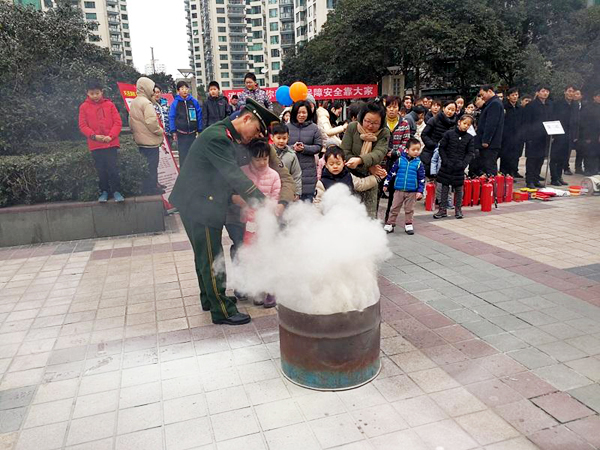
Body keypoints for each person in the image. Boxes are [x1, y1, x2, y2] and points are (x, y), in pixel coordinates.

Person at [169, 98, 281, 326]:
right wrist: (263, 203)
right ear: (246, 118)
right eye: (257, 130)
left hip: (198, 200)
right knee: (211, 256)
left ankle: (209, 299)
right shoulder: (217, 138)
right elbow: (234, 176)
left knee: (204, 254)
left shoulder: (224, 134)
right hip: (199, 204)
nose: (256, 136)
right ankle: (222, 310)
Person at [239, 138, 281, 308]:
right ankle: (256, 289)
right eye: (258, 159)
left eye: (265, 158)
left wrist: (267, 209)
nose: (262, 162)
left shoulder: (274, 175)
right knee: (251, 256)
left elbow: (275, 198)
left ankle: (270, 290)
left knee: (268, 254)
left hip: (267, 220)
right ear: (250, 158)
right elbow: (237, 195)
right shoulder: (242, 172)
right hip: (249, 222)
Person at [341, 101, 390, 218]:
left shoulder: (384, 133)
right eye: (367, 121)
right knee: (349, 214)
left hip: (370, 179)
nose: (370, 126)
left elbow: (379, 153)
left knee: (369, 216)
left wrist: (360, 161)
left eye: (375, 123)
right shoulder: (353, 127)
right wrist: (368, 165)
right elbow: (344, 152)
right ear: (361, 117)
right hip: (350, 176)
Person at [78, 80, 123, 203]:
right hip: (95, 145)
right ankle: (104, 191)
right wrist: (94, 136)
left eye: (97, 93)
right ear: (87, 93)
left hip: (111, 143)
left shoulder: (110, 105)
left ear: (102, 92)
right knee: (101, 170)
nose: (95, 96)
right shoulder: (84, 107)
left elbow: (118, 122)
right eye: (92, 93)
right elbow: (82, 125)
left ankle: (117, 191)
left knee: (113, 168)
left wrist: (111, 136)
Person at [434, 115, 476, 220]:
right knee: (444, 188)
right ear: (459, 122)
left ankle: (458, 209)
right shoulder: (449, 134)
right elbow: (442, 148)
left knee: (459, 189)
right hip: (447, 165)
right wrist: (445, 160)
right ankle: (442, 209)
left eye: (468, 125)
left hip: (459, 167)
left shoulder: (469, 138)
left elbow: (470, 153)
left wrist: (463, 164)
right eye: (464, 123)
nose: (466, 126)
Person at [130, 77, 165, 195]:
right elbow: (151, 122)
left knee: (145, 167)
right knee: (152, 167)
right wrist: (160, 131)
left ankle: (147, 189)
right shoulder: (146, 103)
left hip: (140, 141)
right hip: (150, 142)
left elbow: (131, 121)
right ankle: (153, 189)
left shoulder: (135, 102)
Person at [382, 138, 425, 235]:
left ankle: (408, 224)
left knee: (409, 209)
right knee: (394, 207)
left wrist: (420, 191)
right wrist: (386, 183)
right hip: (399, 189)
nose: (416, 152)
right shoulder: (400, 161)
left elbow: (421, 179)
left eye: (418, 150)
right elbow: (392, 173)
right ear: (407, 150)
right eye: (413, 149)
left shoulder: (419, 164)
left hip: (412, 191)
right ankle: (390, 223)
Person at [313, 145, 380, 207]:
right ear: (326, 165)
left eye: (338, 163)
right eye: (331, 164)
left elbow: (362, 184)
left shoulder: (349, 176)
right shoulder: (322, 183)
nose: (335, 166)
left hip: (349, 213)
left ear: (344, 163)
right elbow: (318, 202)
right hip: (330, 216)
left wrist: (377, 178)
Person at [381, 96, 411, 221]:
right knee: (378, 189)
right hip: (381, 160)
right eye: (389, 107)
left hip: (397, 162)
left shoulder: (404, 123)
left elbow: (406, 142)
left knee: (394, 192)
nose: (392, 110)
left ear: (399, 108)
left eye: (395, 107)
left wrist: (395, 153)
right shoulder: (381, 122)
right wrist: (385, 152)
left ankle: (390, 218)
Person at [287, 100, 323, 201]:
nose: (301, 115)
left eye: (304, 112)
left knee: (307, 202)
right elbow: (281, 145)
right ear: (294, 113)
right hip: (291, 168)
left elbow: (319, 146)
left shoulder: (314, 128)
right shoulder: (287, 127)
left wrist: (305, 148)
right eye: (299, 112)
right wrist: (292, 148)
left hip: (308, 171)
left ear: (308, 113)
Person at [524, 85, 553, 188]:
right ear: (537, 92)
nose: (545, 93)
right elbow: (526, 122)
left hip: (545, 136)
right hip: (533, 136)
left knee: (540, 159)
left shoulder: (549, 105)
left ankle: (536, 179)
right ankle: (529, 180)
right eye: (543, 91)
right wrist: (528, 137)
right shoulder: (531, 105)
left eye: (547, 91)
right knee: (532, 159)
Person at [169, 81, 202, 168]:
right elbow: (171, 117)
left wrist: (200, 129)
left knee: (193, 153)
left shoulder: (193, 101)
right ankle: (183, 172)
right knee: (183, 154)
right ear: (178, 91)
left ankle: (193, 171)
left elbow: (199, 115)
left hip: (192, 133)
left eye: (186, 88)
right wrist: (173, 131)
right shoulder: (175, 103)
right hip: (181, 133)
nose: (184, 90)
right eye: (182, 88)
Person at [421, 100, 457, 177]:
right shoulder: (434, 120)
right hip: (431, 151)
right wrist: (432, 144)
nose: (450, 111)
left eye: (453, 110)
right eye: (449, 109)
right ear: (444, 108)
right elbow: (424, 134)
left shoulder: (455, 123)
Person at [475, 84, 504, 176]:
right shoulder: (490, 103)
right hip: (489, 142)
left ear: (490, 91)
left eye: (482, 94)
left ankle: (492, 187)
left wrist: (486, 140)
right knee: (485, 165)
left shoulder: (494, 104)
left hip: (490, 143)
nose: (481, 97)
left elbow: (491, 124)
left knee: (489, 166)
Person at [549, 85, 575, 186]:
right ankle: (554, 178)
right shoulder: (558, 104)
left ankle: (559, 177)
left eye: (572, 91)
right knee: (555, 157)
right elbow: (553, 117)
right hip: (558, 134)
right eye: (569, 91)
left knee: (563, 157)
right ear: (565, 92)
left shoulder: (574, 104)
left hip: (569, 135)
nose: (571, 93)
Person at [271, 123, 302, 199]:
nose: (281, 141)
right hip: (270, 190)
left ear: (288, 138)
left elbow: (296, 175)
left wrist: (297, 193)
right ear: (272, 137)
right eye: (278, 138)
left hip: (286, 190)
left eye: (284, 138)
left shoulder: (292, 155)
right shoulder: (267, 152)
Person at [500, 87, 523, 178]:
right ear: (508, 97)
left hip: (517, 134)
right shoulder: (504, 107)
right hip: (506, 135)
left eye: (516, 95)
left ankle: (513, 171)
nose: (515, 97)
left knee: (515, 155)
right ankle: (504, 173)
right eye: (512, 95)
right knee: (505, 155)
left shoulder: (519, 108)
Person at [579, 90, 600, 175]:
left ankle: (596, 169)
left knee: (597, 153)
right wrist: (587, 136)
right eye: (598, 96)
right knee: (589, 153)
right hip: (589, 134)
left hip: (598, 134)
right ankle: (588, 169)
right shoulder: (587, 107)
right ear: (594, 97)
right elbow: (584, 122)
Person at [569, 89, 583, 174]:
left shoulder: (584, 105)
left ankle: (578, 167)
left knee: (580, 150)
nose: (575, 95)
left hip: (581, 131)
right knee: (568, 150)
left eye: (578, 94)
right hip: (571, 130)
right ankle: (565, 167)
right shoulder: (570, 105)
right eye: (575, 93)